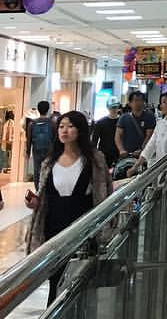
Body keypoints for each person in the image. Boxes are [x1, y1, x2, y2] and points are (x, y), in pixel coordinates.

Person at [25, 111, 112, 303]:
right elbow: (45, 197)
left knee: (78, 282)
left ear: (80, 130)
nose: (64, 130)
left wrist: (104, 229)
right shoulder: (49, 162)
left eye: (70, 126)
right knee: (55, 281)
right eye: (61, 126)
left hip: (83, 230)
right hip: (53, 230)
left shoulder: (94, 160)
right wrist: (34, 203)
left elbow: (104, 194)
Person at [115, 91, 155, 161]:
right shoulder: (124, 118)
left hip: (144, 155)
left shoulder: (149, 117)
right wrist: (121, 150)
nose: (139, 103)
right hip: (126, 155)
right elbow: (118, 136)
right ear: (130, 103)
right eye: (136, 100)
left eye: (141, 100)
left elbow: (149, 136)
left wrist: (142, 150)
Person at [28, 101, 55, 188]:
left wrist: (28, 152)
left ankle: (38, 189)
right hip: (49, 150)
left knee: (37, 170)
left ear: (38, 110)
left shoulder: (32, 124)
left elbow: (29, 139)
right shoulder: (52, 123)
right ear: (48, 110)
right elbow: (55, 139)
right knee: (48, 169)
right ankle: (47, 189)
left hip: (36, 150)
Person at [91, 99, 122, 168]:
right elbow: (94, 140)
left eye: (115, 107)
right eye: (112, 107)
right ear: (108, 108)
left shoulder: (122, 122)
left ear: (118, 108)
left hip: (119, 153)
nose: (114, 109)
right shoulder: (101, 122)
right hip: (104, 153)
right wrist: (94, 154)